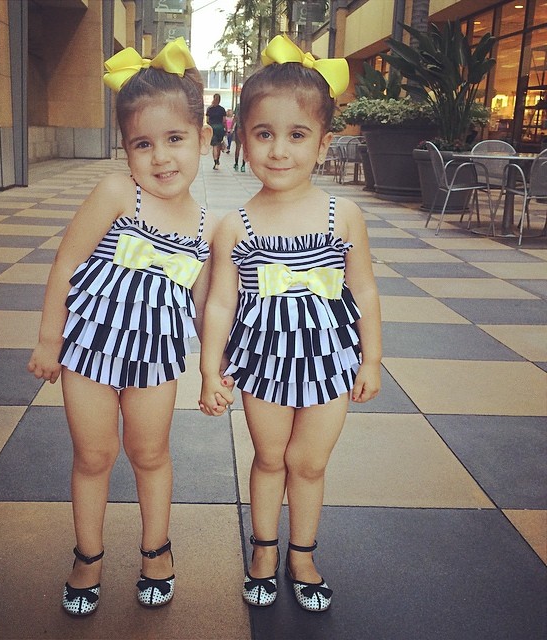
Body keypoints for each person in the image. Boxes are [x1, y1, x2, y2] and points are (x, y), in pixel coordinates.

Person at [28, 38, 223, 616]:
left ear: (203, 139)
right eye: (143, 143)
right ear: (126, 149)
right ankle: (87, 556)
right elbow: (66, 263)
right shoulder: (119, 194)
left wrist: (213, 371)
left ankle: (155, 550)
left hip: (155, 360)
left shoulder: (207, 227)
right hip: (87, 350)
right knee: (93, 456)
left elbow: (207, 304)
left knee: (150, 453)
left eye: (175, 139)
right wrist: (49, 338)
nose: (161, 157)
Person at [199, 34, 382, 613]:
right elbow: (220, 303)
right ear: (242, 139)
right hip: (265, 363)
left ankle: (302, 555)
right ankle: (264, 551)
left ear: (324, 143)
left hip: (330, 361)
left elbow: (364, 290)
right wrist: (210, 369)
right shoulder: (235, 225)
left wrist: (372, 359)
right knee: (270, 458)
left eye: (297, 135)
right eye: (264, 134)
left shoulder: (343, 215)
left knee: (309, 463)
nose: (279, 150)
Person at [206, 93, 227, 170]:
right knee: (219, 145)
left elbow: (207, 120)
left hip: (212, 128)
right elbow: (224, 121)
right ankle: (218, 159)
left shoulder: (209, 109)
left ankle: (215, 162)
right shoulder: (222, 109)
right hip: (220, 128)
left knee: (214, 145)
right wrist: (225, 129)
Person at [232, 104, 246, 172]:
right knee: (245, 148)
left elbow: (235, 118)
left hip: (239, 128)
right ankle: (243, 165)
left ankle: (236, 164)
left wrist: (231, 127)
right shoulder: (248, 105)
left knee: (238, 147)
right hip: (246, 129)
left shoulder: (238, 106)